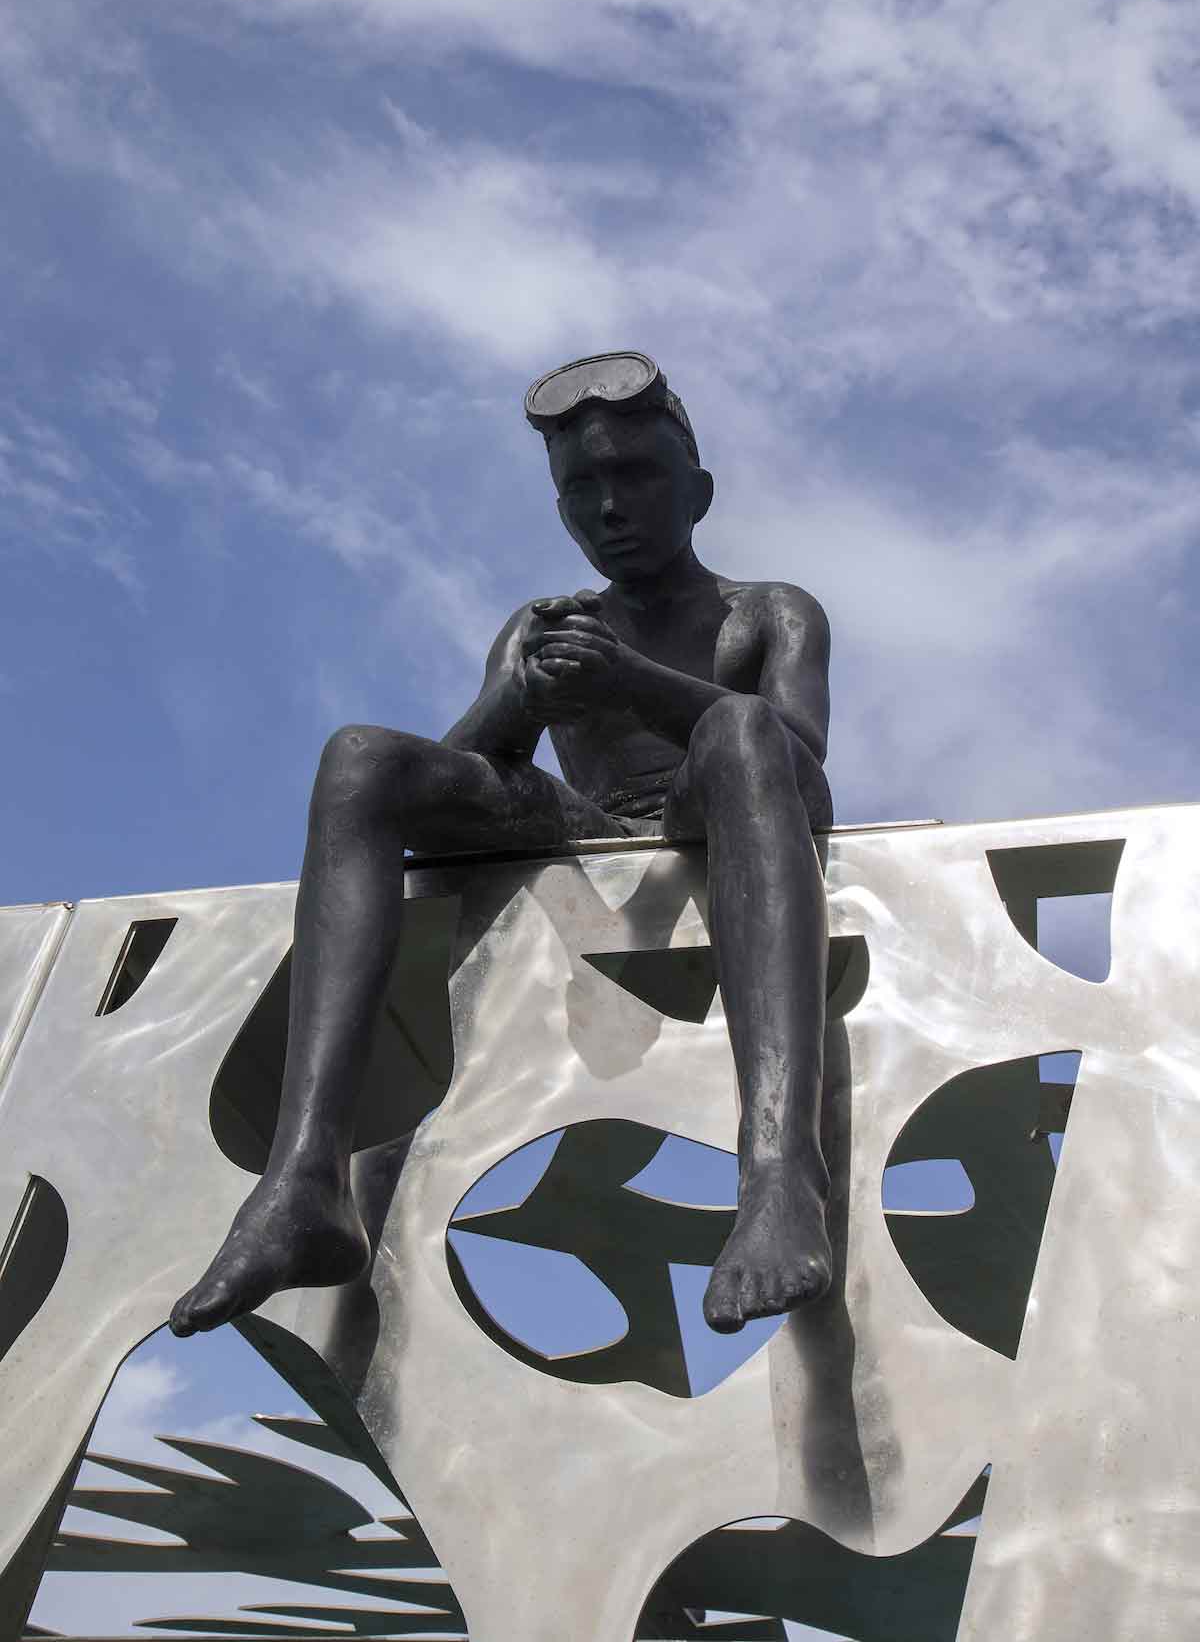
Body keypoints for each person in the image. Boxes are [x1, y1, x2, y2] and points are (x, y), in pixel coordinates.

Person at [170, 352, 834, 1340]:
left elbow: (800, 768)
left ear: (695, 492)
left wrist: (630, 683)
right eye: (582, 489)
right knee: (360, 758)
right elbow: (455, 785)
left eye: (638, 477)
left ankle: (780, 1174)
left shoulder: (768, 612)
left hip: (722, 812)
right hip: (587, 834)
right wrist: (518, 696)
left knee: (740, 731)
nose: (610, 506)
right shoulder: (546, 622)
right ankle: (303, 1179)